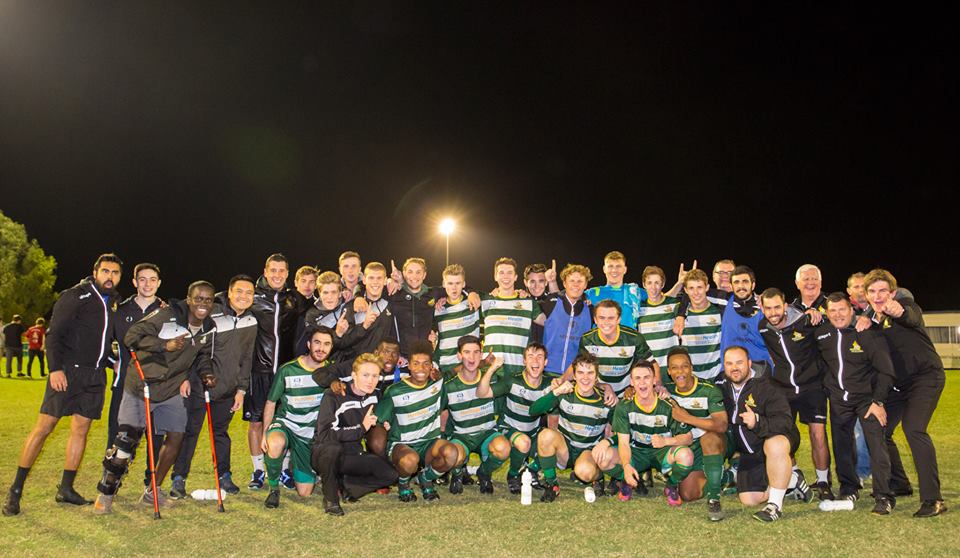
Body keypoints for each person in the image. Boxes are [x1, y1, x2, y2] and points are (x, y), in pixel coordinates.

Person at [3, 254, 123, 516]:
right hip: (67, 373)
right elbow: (54, 334)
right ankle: (15, 491)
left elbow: (102, 342)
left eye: (115, 273)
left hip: (94, 378)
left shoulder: (113, 303)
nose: (110, 277)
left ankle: (66, 489)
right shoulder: (75, 295)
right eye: (105, 271)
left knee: (81, 430)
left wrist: (112, 360)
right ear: (95, 271)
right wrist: (55, 369)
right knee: (44, 427)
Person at [93, 280, 217, 514]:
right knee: (125, 442)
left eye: (208, 299)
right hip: (142, 385)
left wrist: (206, 372)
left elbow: (201, 355)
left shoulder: (209, 327)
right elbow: (131, 337)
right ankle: (106, 493)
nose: (203, 303)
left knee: (176, 437)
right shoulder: (167, 315)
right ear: (188, 299)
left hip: (170, 390)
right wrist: (164, 345)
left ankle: (153, 490)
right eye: (198, 298)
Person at [863, 269, 947, 517]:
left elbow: (910, 316)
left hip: (926, 377)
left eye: (882, 291)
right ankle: (899, 483)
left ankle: (934, 500)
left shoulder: (904, 305)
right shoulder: (870, 319)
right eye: (872, 291)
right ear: (866, 295)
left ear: (892, 292)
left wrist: (899, 311)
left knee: (913, 429)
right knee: (879, 428)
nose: (878, 296)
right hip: (898, 385)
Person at [170, 275, 258, 499]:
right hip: (200, 386)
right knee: (190, 432)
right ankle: (179, 477)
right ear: (229, 293)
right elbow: (192, 345)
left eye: (249, 293)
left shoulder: (251, 321)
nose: (243, 296)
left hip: (227, 389)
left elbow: (247, 358)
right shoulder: (212, 311)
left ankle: (224, 475)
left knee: (220, 433)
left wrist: (241, 390)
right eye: (239, 291)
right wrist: (185, 377)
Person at [815, 293, 897, 513]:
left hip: (867, 400)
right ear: (827, 313)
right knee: (842, 446)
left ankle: (884, 495)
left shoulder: (866, 332)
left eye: (842, 309)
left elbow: (886, 371)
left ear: (851, 310)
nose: (838, 315)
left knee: (876, 446)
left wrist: (877, 401)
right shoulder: (823, 334)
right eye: (832, 311)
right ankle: (848, 487)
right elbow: (820, 365)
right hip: (839, 401)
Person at [757, 287, 833, 500]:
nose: (773, 313)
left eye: (777, 307)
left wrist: (819, 314)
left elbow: (832, 332)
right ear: (762, 308)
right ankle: (795, 475)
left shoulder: (805, 321)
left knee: (817, 434)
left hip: (812, 387)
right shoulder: (763, 327)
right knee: (783, 436)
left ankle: (823, 481)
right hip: (784, 389)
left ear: (786, 306)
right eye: (768, 308)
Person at [720, 345, 810, 522]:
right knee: (749, 499)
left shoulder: (768, 386)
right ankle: (792, 480)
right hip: (750, 451)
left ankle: (774, 506)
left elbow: (785, 422)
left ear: (749, 363)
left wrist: (758, 422)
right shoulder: (721, 383)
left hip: (774, 439)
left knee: (774, 444)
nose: (734, 368)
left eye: (739, 362)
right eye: (729, 363)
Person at [311, 353, 398, 516]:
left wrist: (383, 424)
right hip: (324, 453)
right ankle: (331, 499)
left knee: (390, 475)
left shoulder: (375, 395)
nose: (370, 380)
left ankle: (349, 487)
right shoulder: (335, 395)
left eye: (375, 376)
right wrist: (360, 428)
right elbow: (324, 434)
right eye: (365, 375)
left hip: (350, 456)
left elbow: (377, 420)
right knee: (332, 449)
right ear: (353, 375)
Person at [375, 340, 458, 502]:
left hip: (429, 443)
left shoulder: (438, 385)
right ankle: (403, 483)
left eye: (426, 364)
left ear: (431, 366)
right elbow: (379, 420)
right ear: (410, 366)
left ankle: (425, 478)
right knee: (410, 460)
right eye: (416, 364)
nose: (421, 368)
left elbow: (459, 370)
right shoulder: (395, 391)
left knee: (451, 453)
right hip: (403, 444)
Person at [261, 326, 335, 508]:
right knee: (275, 443)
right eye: (317, 342)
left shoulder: (332, 373)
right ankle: (273, 489)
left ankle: (297, 464)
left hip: (309, 432)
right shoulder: (288, 370)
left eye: (327, 344)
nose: (321, 348)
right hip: (286, 423)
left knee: (304, 493)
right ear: (309, 344)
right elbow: (271, 402)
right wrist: (265, 433)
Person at [530, 354, 618, 502]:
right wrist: (556, 392)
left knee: (585, 472)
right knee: (545, 435)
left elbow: (622, 431)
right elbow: (533, 410)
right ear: (575, 376)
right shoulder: (565, 393)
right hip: (566, 449)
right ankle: (552, 485)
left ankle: (598, 477)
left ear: (597, 377)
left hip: (588, 451)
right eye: (580, 372)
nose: (585, 378)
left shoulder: (605, 399)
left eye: (590, 373)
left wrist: (607, 443)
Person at [246, 253, 300, 490]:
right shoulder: (252, 296)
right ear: (266, 271)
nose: (277, 275)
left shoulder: (293, 299)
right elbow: (225, 299)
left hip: (285, 372)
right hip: (259, 370)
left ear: (287, 273)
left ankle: (285, 470)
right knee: (256, 423)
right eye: (273, 270)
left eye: (282, 271)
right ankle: (258, 471)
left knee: (285, 421)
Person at [613, 361, 695, 507]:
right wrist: (626, 465)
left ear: (654, 380)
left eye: (647, 377)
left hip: (661, 453)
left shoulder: (668, 405)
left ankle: (671, 485)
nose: (642, 382)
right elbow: (623, 443)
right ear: (631, 382)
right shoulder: (624, 406)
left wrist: (666, 441)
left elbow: (688, 438)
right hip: (637, 452)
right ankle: (628, 479)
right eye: (637, 378)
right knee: (605, 457)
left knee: (686, 455)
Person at [661, 348, 729, 520]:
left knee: (709, 438)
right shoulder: (666, 389)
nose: (680, 372)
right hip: (690, 448)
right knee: (689, 494)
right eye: (674, 368)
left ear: (691, 368)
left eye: (684, 366)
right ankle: (727, 476)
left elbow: (721, 424)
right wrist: (630, 391)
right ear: (668, 371)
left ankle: (714, 499)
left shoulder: (708, 389)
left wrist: (687, 417)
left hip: (715, 441)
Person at [478, 342, 553, 494]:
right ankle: (509, 475)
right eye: (530, 356)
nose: (535, 361)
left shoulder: (550, 384)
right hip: (509, 428)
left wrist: (607, 387)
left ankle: (531, 471)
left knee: (556, 443)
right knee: (523, 443)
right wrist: (492, 368)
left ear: (545, 362)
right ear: (524, 361)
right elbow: (482, 393)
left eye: (540, 357)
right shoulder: (513, 380)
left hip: (533, 431)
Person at [441, 336, 510, 494]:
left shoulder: (492, 379)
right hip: (461, 436)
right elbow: (438, 412)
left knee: (503, 448)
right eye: (466, 352)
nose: (471, 358)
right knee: (454, 455)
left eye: (476, 352)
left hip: (487, 433)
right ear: (459, 356)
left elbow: (509, 390)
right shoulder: (449, 385)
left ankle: (484, 473)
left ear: (481, 355)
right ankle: (458, 474)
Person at [109, 262, 164, 451]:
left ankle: (152, 479)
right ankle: (111, 479)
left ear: (158, 283)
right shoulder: (120, 311)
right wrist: (113, 361)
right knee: (118, 436)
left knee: (155, 438)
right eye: (142, 280)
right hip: (125, 384)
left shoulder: (168, 313)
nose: (147, 284)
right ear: (134, 282)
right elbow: (101, 343)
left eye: (152, 280)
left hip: (158, 386)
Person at [570, 300, 656, 397]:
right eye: (602, 318)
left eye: (611, 318)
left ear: (618, 319)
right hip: (600, 390)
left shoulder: (634, 338)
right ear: (595, 319)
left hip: (628, 392)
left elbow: (651, 363)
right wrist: (562, 379)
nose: (606, 322)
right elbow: (579, 365)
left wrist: (658, 386)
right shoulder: (587, 339)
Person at [479, 257, 545, 376]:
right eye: (501, 272)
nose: (506, 276)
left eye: (510, 272)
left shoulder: (528, 302)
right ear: (495, 276)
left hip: (518, 371)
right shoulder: (486, 300)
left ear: (515, 277)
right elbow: (462, 294)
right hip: (490, 370)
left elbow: (550, 324)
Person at [540, 264, 593, 377]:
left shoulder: (590, 310)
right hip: (548, 371)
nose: (575, 284)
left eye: (580, 281)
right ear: (564, 283)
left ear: (585, 284)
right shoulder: (551, 302)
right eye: (571, 280)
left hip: (575, 374)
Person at [718, 266, 771, 376]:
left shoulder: (766, 306)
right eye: (736, 282)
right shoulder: (723, 301)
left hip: (761, 370)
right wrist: (681, 315)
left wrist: (810, 312)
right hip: (731, 371)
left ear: (753, 284)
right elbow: (694, 292)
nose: (741, 286)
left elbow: (786, 310)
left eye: (745, 281)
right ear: (731, 286)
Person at [432, 264, 480, 374]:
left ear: (463, 284)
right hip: (445, 367)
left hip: (469, 365)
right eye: (450, 283)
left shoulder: (474, 302)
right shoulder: (437, 308)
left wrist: (521, 293)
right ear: (444, 284)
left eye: (458, 283)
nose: (454, 288)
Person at [678, 270, 723, 380]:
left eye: (699, 287)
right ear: (685, 290)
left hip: (716, 377)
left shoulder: (720, 312)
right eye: (691, 288)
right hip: (691, 379)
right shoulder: (679, 314)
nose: (696, 292)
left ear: (707, 288)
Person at [585, 251, 647, 328]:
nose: (614, 270)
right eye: (610, 266)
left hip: (628, 339)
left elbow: (660, 298)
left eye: (618, 266)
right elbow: (570, 299)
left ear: (625, 269)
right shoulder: (592, 293)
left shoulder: (635, 291)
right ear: (604, 269)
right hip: (599, 339)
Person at [636, 266, 681, 367]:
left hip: (671, 367)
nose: (653, 287)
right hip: (648, 367)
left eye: (657, 283)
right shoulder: (638, 308)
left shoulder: (674, 304)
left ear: (663, 284)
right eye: (649, 283)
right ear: (644, 284)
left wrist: (681, 283)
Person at [522, 262, 560, 343]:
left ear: (546, 282)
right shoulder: (520, 300)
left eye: (541, 281)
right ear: (525, 282)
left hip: (547, 353)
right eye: (532, 281)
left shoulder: (552, 301)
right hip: (524, 353)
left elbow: (560, 310)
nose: (536, 286)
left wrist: (552, 281)